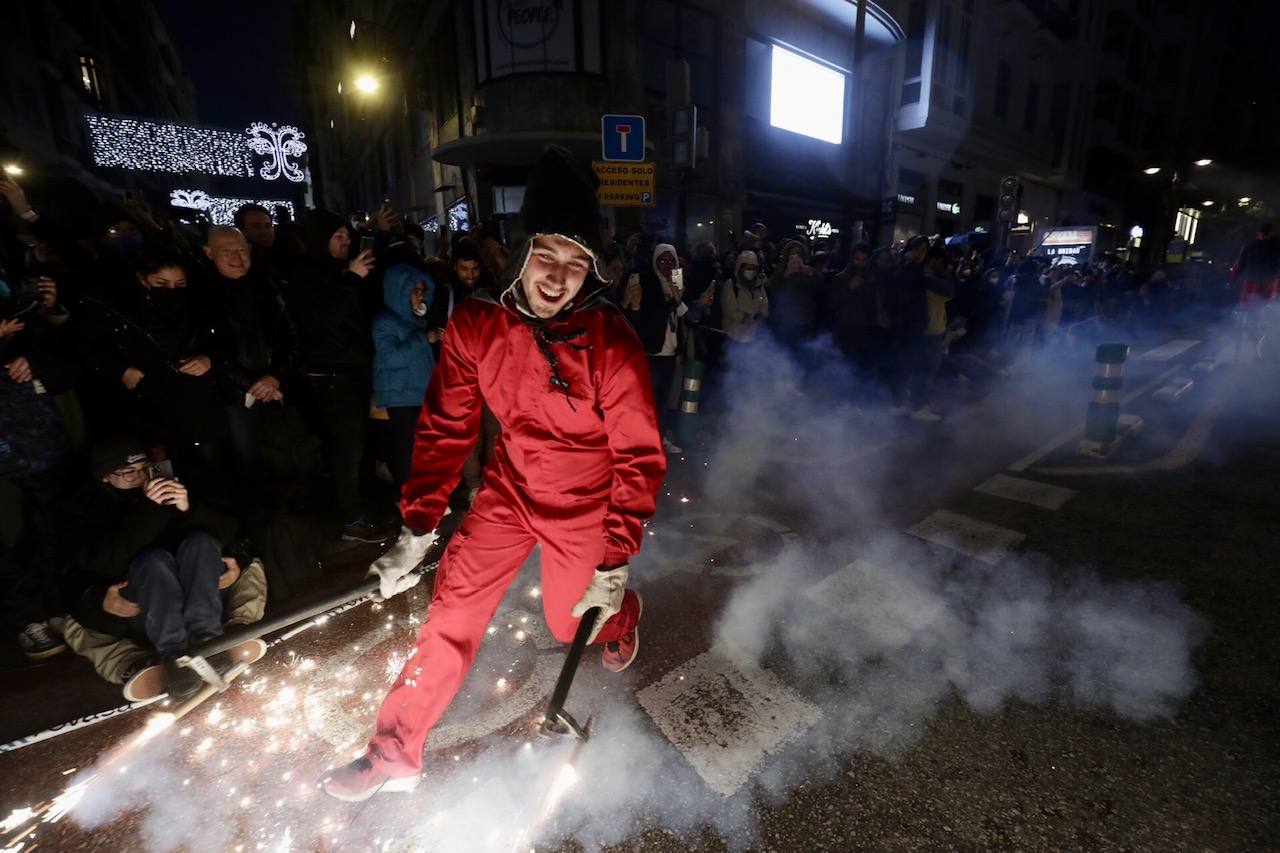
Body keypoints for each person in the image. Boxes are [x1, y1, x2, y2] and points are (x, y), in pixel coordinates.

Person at [320, 146, 665, 802]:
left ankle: (622, 615)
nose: (558, 276)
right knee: (450, 610)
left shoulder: (609, 341)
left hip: (586, 500)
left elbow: (639, 456)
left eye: (576, 262)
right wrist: (417, 527)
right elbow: (448, 426)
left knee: (574, 623)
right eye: (547, 254)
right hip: (509, 490)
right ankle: (393, 752)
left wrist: (615, 558)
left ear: (590, 270)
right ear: (520, 248)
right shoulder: (477, 323)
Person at [59, 436, 243, 701]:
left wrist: (189, 510)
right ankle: (176, 657)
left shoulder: (172, 483)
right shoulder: (89, 510)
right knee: (153, 560)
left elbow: (231, 533)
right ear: (105, 477)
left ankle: (209, 641)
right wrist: (149, 509)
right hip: (146, 601)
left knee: (200, 541)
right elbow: (103, 562)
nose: (139, 477)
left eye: (144, 468)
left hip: (200, 593)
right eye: (128, 473)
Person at [287, 210, 383, 542]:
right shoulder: (306, 275)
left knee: (358, 445)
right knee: (347, 447)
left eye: (347, 235)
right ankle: (351, 518)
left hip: (354, 370)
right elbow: (323, 322)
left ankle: (360, 506)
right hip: (331, 374)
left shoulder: (340, 271)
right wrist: (351, 279)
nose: (346, 241)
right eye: (338, 236)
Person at [202, 226, 301, 484]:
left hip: (277, 386)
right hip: (232, 395)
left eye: (242, 250)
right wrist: (252, 384)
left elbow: (290, 334)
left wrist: (276, 376)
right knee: (247, 458)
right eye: (227, 252)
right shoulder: (202, 293)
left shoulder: (267, 284)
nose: (237, 258)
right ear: (209, 252)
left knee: (287, 451)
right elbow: (209, 349)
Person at [372, 264, 436, 486]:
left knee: (423, 447)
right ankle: (408, 497)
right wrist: (422, 339)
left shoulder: (416, 321)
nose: (421, 295)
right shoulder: (384, 322)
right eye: (414, 290)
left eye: (422, 290)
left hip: (418, 394)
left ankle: (421, 493)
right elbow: (391, 358)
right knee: (408, 449)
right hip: (401, 397)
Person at [720, 249, 768, 342]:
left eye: (753, 268)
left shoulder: (758, 284)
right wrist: (745, 318)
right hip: (735, 334)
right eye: (748, 268)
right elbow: (729, 309)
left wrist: (762, 315)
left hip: (755, 334)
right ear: (740, 268)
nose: (751, 271)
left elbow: (765, 303)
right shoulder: (731, 284)